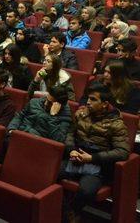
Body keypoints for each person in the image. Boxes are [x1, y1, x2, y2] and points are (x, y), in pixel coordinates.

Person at [60, 83, 130, 221]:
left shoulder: (116, 123)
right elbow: (69, 134)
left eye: (93, 99)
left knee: (86, 191)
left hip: (97, 164)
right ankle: (64, 210)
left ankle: (72, 212)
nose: (88, 102)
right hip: (75, 157)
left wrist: (92, 158)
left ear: (104, 104)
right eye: (88, 98)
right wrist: (72, 150)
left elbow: (122, 152)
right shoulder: (81, 113)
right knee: (46, 175)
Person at [7, 84, 72, 143]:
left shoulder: (64, 116)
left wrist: (53, 117)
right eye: (46, 99)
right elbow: (20, 116)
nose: (45, 103)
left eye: (49, 102)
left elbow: (58, 139)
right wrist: (12, 128)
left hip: (37, 142)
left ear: (58, 105)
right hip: (21, 133)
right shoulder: (35, 102)